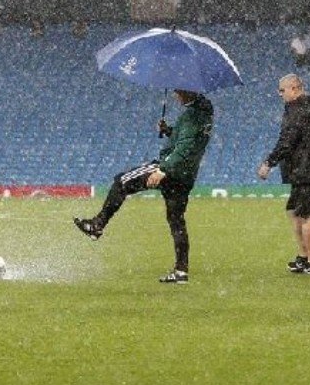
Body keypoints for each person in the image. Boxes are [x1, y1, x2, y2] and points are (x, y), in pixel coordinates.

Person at [74, 90, 214, 284]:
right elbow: (188, 139)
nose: (176, 96)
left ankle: (97, 225)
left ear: (188, 91)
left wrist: (163, 170)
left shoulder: (192, 115)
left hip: (170, 169)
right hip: (186, 176)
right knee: (176, 220)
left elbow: (185, 147)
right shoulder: (204, 112)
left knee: (121, 181)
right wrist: (169, 131)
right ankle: (181, 271)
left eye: (178, 92)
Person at [257, 74, 310, 275]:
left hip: (308, 170)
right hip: (305, 169)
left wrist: (268, 163)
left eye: (282, 90)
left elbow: (287, 140)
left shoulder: (300, 110)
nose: (280, 95)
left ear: (295, 88)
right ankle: (303, 257)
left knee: (305, 214)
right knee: (293, 211)